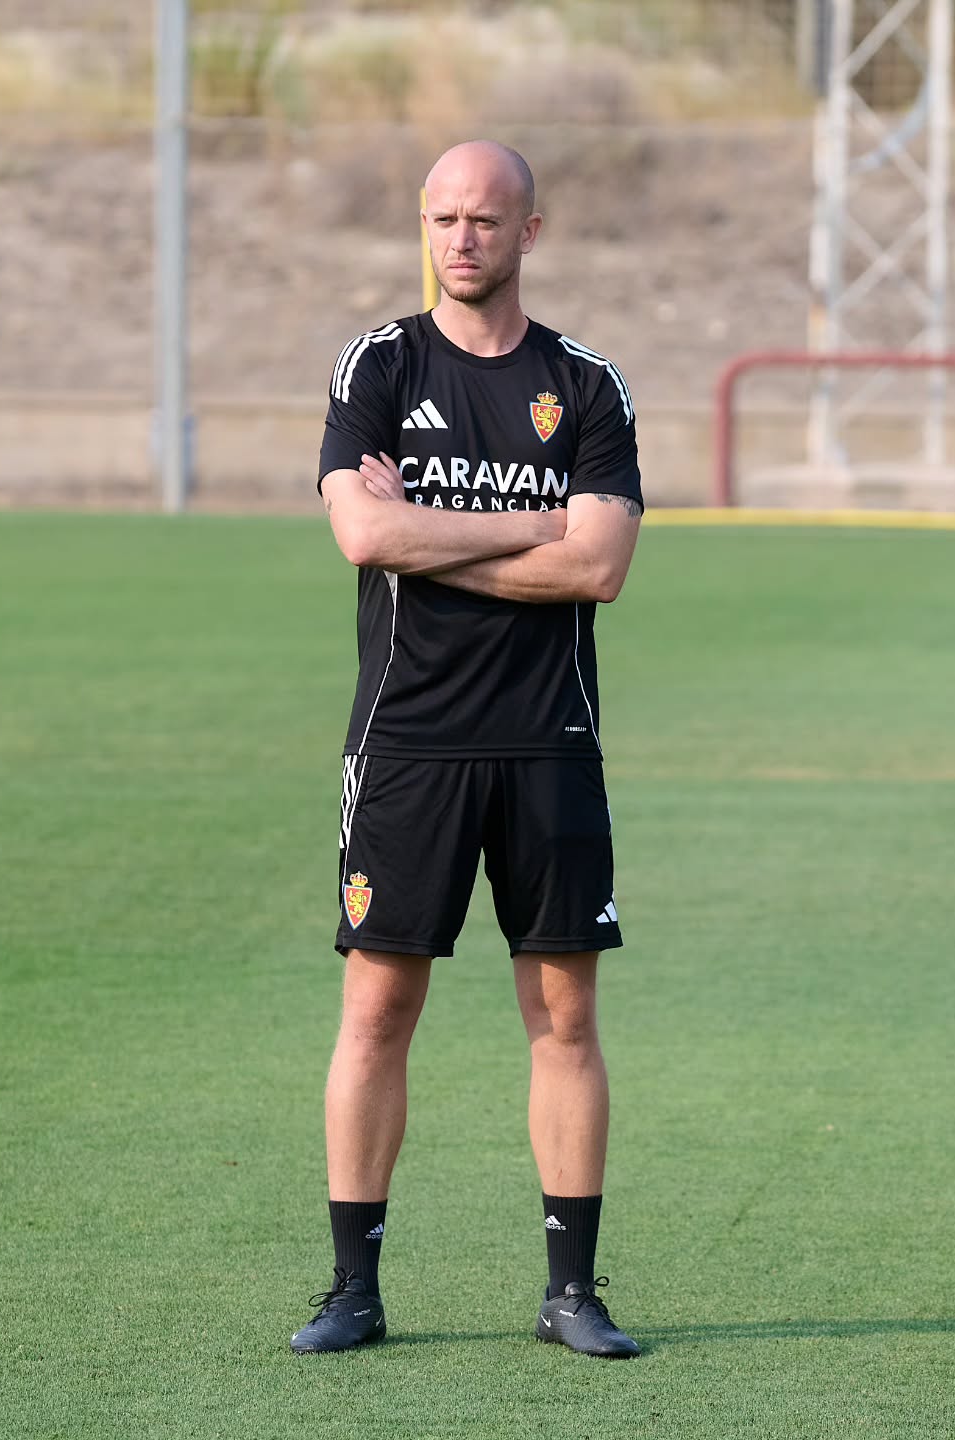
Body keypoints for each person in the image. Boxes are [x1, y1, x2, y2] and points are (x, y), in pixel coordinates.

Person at [290, 140, 643, 1360]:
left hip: (550, 743)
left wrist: (423, 532)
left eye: (485, 221)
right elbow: (358, 534)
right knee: (378, 1011)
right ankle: (353, 1290)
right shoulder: (378, 365)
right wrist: (530, 519)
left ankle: (572, 1295)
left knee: (564, 1018)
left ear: (529, 233)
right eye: (441, 217)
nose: (461, 239)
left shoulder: (585, 386)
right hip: (408, 742)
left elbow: (600, 565)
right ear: (423, 226)